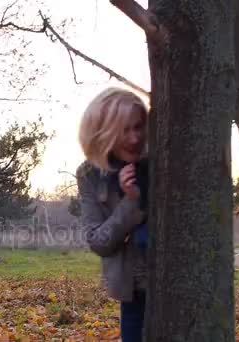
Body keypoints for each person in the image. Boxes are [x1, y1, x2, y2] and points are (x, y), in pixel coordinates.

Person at [76, 87, 149, 342]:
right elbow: (98, 241)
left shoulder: (164, 157)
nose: (133, 139)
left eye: (138, 127)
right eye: (123, 131)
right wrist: (131, 203)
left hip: (174, 285)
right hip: (132, 292)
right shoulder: (90, 174)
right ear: (103, 134)